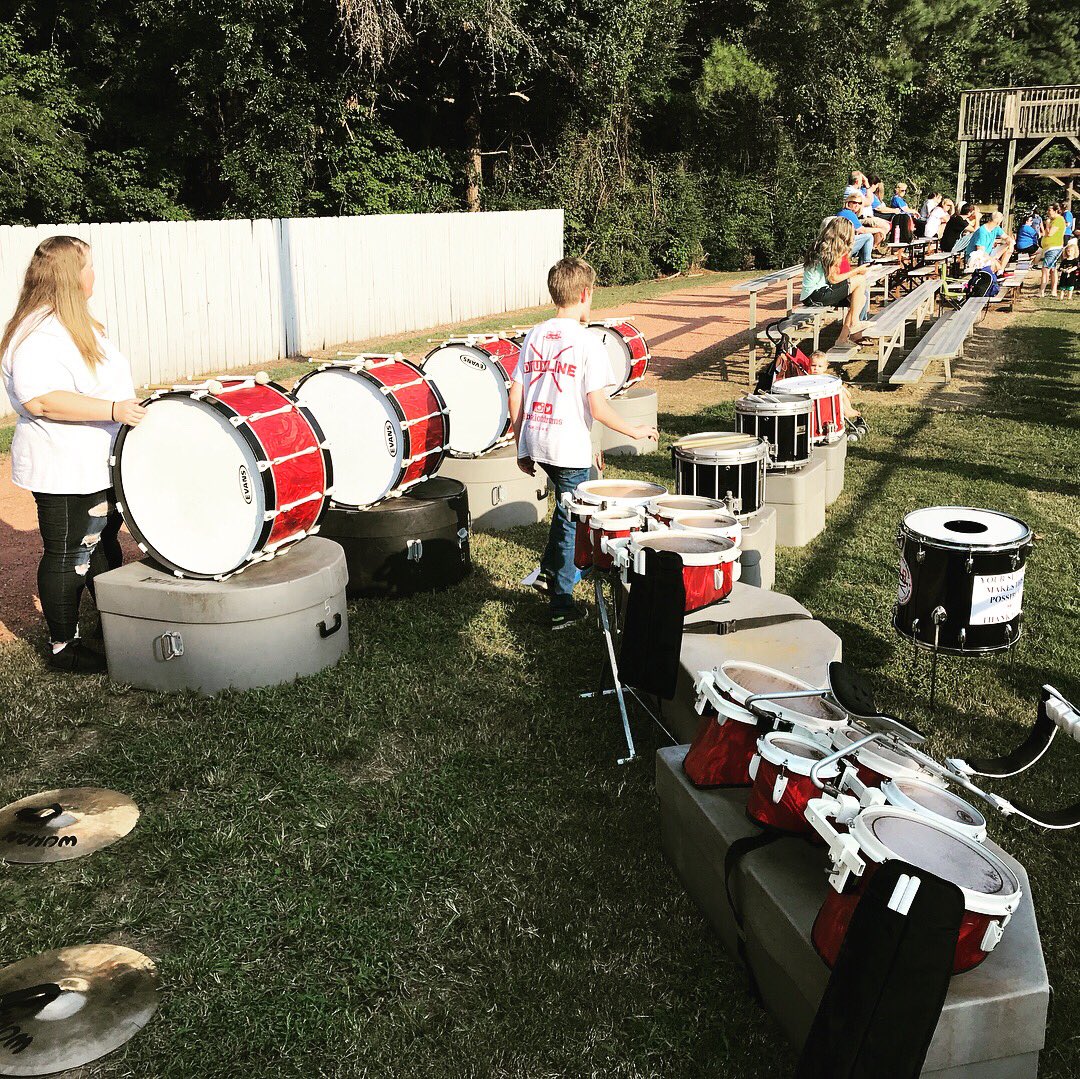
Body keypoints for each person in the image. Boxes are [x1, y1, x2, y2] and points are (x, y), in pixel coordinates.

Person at [1, 236, 146, 673]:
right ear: (70, 276)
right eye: (89, 267)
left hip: (96, 461)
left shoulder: (69, 323)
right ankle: (65, 646)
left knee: (102, 542)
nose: (93, 275)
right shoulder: (38, 333)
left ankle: (110, 620)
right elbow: (42, 400)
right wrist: (114, 410)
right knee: (68, 553)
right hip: (63, 467)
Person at [509, 257, 658, 630]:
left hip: (538, 439)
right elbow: (598, 407)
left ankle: (548, 573)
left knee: (568, 506)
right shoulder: (589, 342)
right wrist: (634, 431)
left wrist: (520, 443)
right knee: (572, 521)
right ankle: (561, 604)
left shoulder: (535, 334)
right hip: (565, 448)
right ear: (585, 294)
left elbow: (516, 391)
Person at [802, 216, 870, 346]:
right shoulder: (826, 248)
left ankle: (842, 339)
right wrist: (857, 271)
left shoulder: (826, 245)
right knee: (860, 280)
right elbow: (833, 279)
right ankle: (855, 323)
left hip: (819, 292)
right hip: (815, 295)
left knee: (861, 298)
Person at [810, 351, 867, 440]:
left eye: (819, 366)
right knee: (838, 396)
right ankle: (846, 411)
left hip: (828, 395)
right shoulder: (811, 378)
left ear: (825, 367)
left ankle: (849, 409)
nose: (816, 368)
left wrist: (844, 389)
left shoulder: (825, 376)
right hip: (822, 399)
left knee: (842, 393)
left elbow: (836, 384)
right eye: (813, 365)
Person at [1033, 203, 1067, 297]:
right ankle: (1053, 291)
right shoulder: (1053, 220)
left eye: (1049, 210)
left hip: (1054, 248)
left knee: (1045, 269)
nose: (1048, 212)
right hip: (1049, 248)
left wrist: (1047, 224)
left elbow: (1050, 233)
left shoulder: (1059, 220)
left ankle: (1041, 291)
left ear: (1056, 211)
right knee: (1052, 269)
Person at [839, 189, 881, 261]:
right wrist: (879, 230)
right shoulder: (848, 213)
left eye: (859, 203)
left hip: (842, 244)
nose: (857, 205)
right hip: (843, 246)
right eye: (854, 202)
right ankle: (867, 261)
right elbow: (862, 230)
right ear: (848, 203)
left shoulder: (845, 212)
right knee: (868, 236)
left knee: (863, 240)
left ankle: (863, 264)